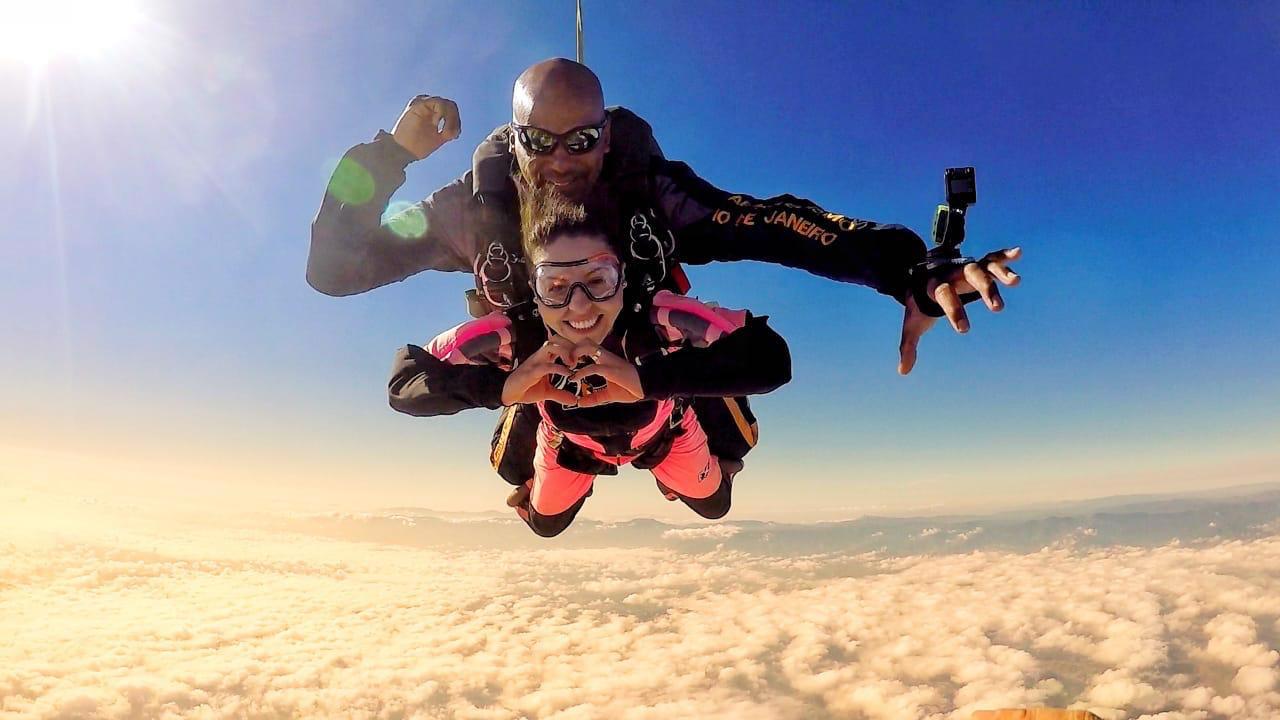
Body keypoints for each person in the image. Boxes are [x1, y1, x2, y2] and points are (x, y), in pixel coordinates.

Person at [309, 58, 1021, 488]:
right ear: (518, 143)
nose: (562, 160)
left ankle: (690, 438)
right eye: (541, 143)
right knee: (541, 506)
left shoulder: (652, 195)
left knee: (715, 490)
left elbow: (776, 224)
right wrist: (387, 154)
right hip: (542, 379)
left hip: (656, 362)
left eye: (583, 140)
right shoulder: (473, 214)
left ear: (608, 136)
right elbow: (334, 270)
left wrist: (909, 271)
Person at [387, 187, 791, 536]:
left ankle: (707, 452)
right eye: (555, 286)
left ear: (622, 279)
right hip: (572, 443)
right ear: (535, 289)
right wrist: (504, 388)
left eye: (598, 280)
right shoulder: (519, 334)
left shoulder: (655, 318)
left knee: (714, 506)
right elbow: (405, 381)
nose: (579, 305)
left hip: (665, 430)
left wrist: (647, 378)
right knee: (546, 525)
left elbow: (770, 358)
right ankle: (550, 451)